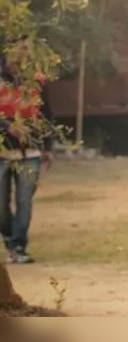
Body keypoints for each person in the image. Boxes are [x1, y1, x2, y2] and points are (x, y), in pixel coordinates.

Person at [1, 48, 54, 265]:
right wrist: (7, 127)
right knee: (1, 204)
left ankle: (19, 246)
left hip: (30, 152)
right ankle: (10, 241)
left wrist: (48, 147)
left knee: (24, 201)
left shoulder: (36, 82)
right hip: (2, 152)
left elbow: (47, 114)